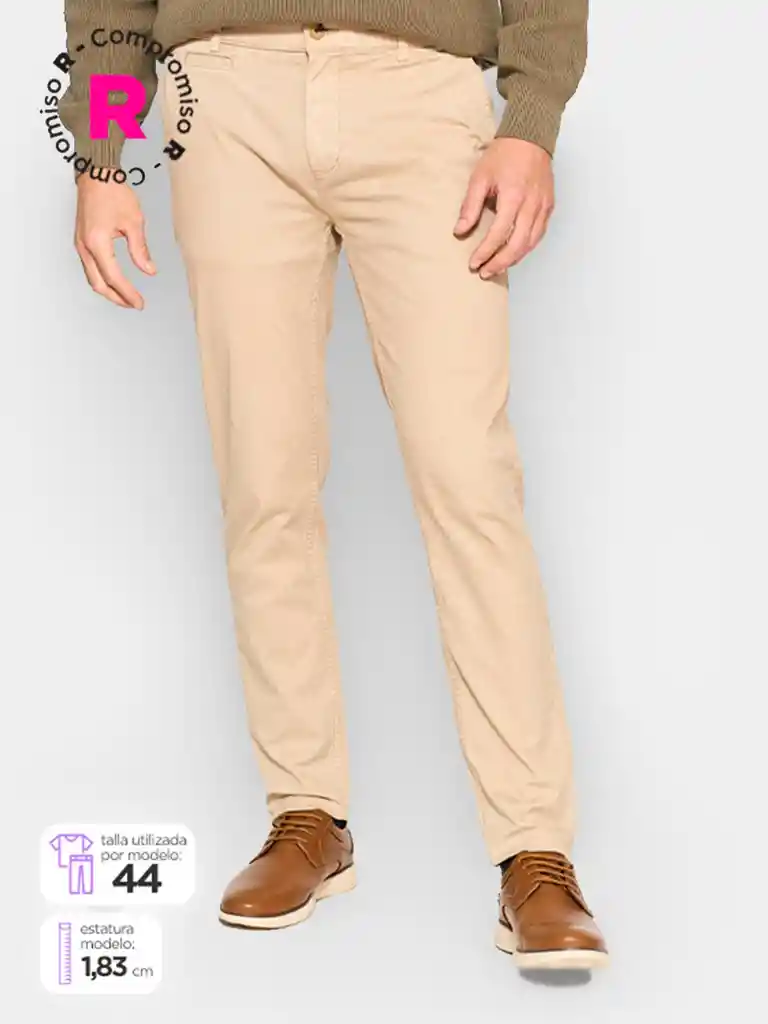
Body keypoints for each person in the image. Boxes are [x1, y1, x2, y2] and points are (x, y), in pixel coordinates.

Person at [61, 0, 608, 970]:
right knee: (262, 476)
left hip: (419, 87)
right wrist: (101, 155)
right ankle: (305, 813)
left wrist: (531, 121)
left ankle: (535, 848)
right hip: (225, 99)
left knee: (468, 478)